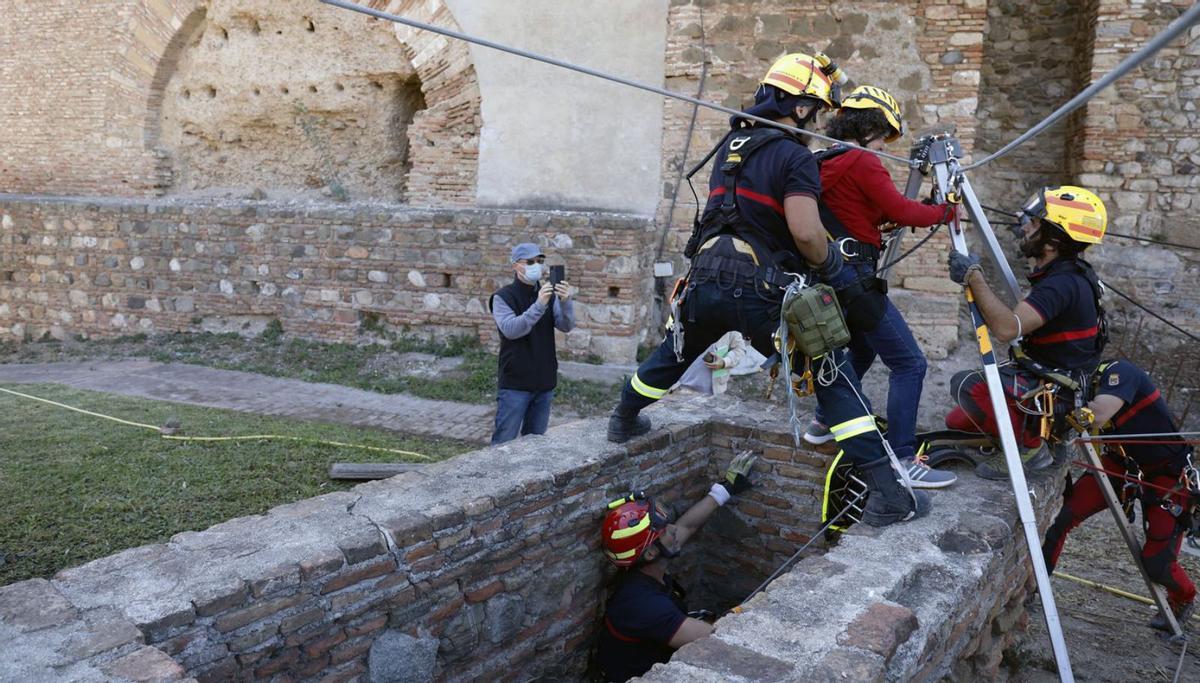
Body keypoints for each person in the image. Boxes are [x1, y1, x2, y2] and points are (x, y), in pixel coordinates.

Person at [606, 53, 929, 527]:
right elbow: (804, 232)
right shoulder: (793, 155)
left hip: (703, 279)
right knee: (832, 374)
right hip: (760, 290)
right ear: (799, 109)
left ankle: (624, 417)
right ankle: (888, 493)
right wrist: (833, 266)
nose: (816, 121)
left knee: (673, 354)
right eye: (815, 112)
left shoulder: (730, 147)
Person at [801, 85, 956, 489]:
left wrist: (874, 225)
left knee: (862, 346)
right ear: (871, 126)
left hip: (828, 276)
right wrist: (944, 210)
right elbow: (902, 209)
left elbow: (847, 213)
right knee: (909, 363)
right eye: (885, 135)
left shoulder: (821, 161)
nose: (884, 144)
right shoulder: (862, 160)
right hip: (855, 277)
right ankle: (904, 457)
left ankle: (822, 420)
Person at [945, 186, 1109, 479]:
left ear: (1052, 241)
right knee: (958, 421)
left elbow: (1007, 328)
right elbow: (1022, 318)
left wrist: (973, 276)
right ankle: (1038, 432)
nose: (1025, 229)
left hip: (1055, 389)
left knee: (967, 385)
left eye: (1034, 225)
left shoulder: (1061, 284)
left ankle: (1031, 448)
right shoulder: (1069, 273)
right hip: (1057, 382)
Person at [1042, 359, 1197, 631]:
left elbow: (1098, 415)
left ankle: (1183, 597)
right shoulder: (1083, 390)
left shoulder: (1121, 373)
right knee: (1061, 519)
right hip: (1119, 463)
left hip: (1167, 474)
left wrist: (1061, 414)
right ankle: (1036, 588)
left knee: (1157, 563)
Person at [596, 451, 756, 681]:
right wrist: (744, 613)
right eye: (665, 530)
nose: (673, 529)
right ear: (651, 553)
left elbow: (688, 527)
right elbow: (718, 637)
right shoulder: (643, 604)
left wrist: (725, 489)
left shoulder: (642, 572)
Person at [488, 242, 575, 444]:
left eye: (539, 261)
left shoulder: (549, 294)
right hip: (515, 382)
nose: (536, 265)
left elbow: (566, 325)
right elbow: (511, 330)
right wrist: (538, 305)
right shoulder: (502, 297)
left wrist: (565, 301)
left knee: (535, 445)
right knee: (504, 443)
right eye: (529, 262)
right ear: (515, 266)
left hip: (544, 380)